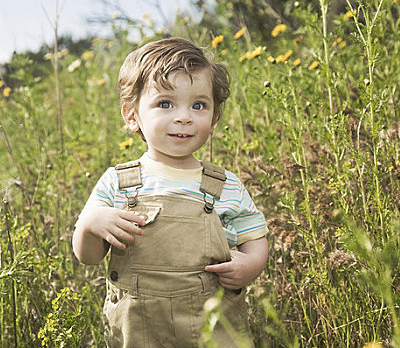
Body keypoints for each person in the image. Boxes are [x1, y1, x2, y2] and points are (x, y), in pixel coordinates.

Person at [72, 37, 269, 348]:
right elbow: (89, 257)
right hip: (140, 330)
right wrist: (90, 224)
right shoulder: (117, 183)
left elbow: (254, 237)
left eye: (198, 105)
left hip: (213, 326)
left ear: (214, 116)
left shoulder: (225, 184)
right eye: (165, 104)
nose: (184, 116)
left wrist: (250, 265)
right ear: (132, 115)